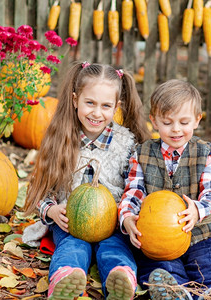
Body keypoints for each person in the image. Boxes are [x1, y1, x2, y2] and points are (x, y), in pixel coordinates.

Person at [24, 61, 151, 300]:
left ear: (116, 107)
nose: (96, 112)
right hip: (70, 222)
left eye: (105, 106)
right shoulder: (61, 139)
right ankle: (65, 276)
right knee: (72, 248)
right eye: (89, 103)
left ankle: (120, 278)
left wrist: (126, 216)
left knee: (115, 248)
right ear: (75, 100)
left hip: (112, 223)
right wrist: (52, 212)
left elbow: (136, 187)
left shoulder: (126, 144)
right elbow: (42, 188)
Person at [119, 79, 211, 300]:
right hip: (157, 235)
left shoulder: (205, 154)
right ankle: (175, 292)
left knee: (205, 264)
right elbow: (133, 191)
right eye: (167, 122)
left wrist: (198, 210)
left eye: (184, 122)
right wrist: (127, 218)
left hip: (199, 232)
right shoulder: (141, 154)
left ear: (197, 120)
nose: (176, 129)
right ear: (154, 121)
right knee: (160, 265)